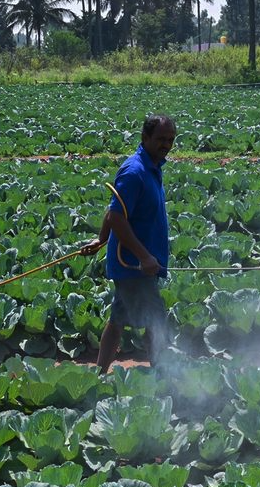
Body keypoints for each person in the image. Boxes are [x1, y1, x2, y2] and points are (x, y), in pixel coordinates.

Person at [81, 114, 176, 374]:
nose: (166, 144)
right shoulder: (135, 172)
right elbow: (117, 217)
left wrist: (101, 239)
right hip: (134, 266)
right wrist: (144, 257)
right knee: (156, 321)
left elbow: (115, 209)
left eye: (170, 140)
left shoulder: (152, 166)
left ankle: (99, 374)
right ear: (145, 138)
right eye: (160, 139)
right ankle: (163, 375)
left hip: (137, 264)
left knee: (117, 321)